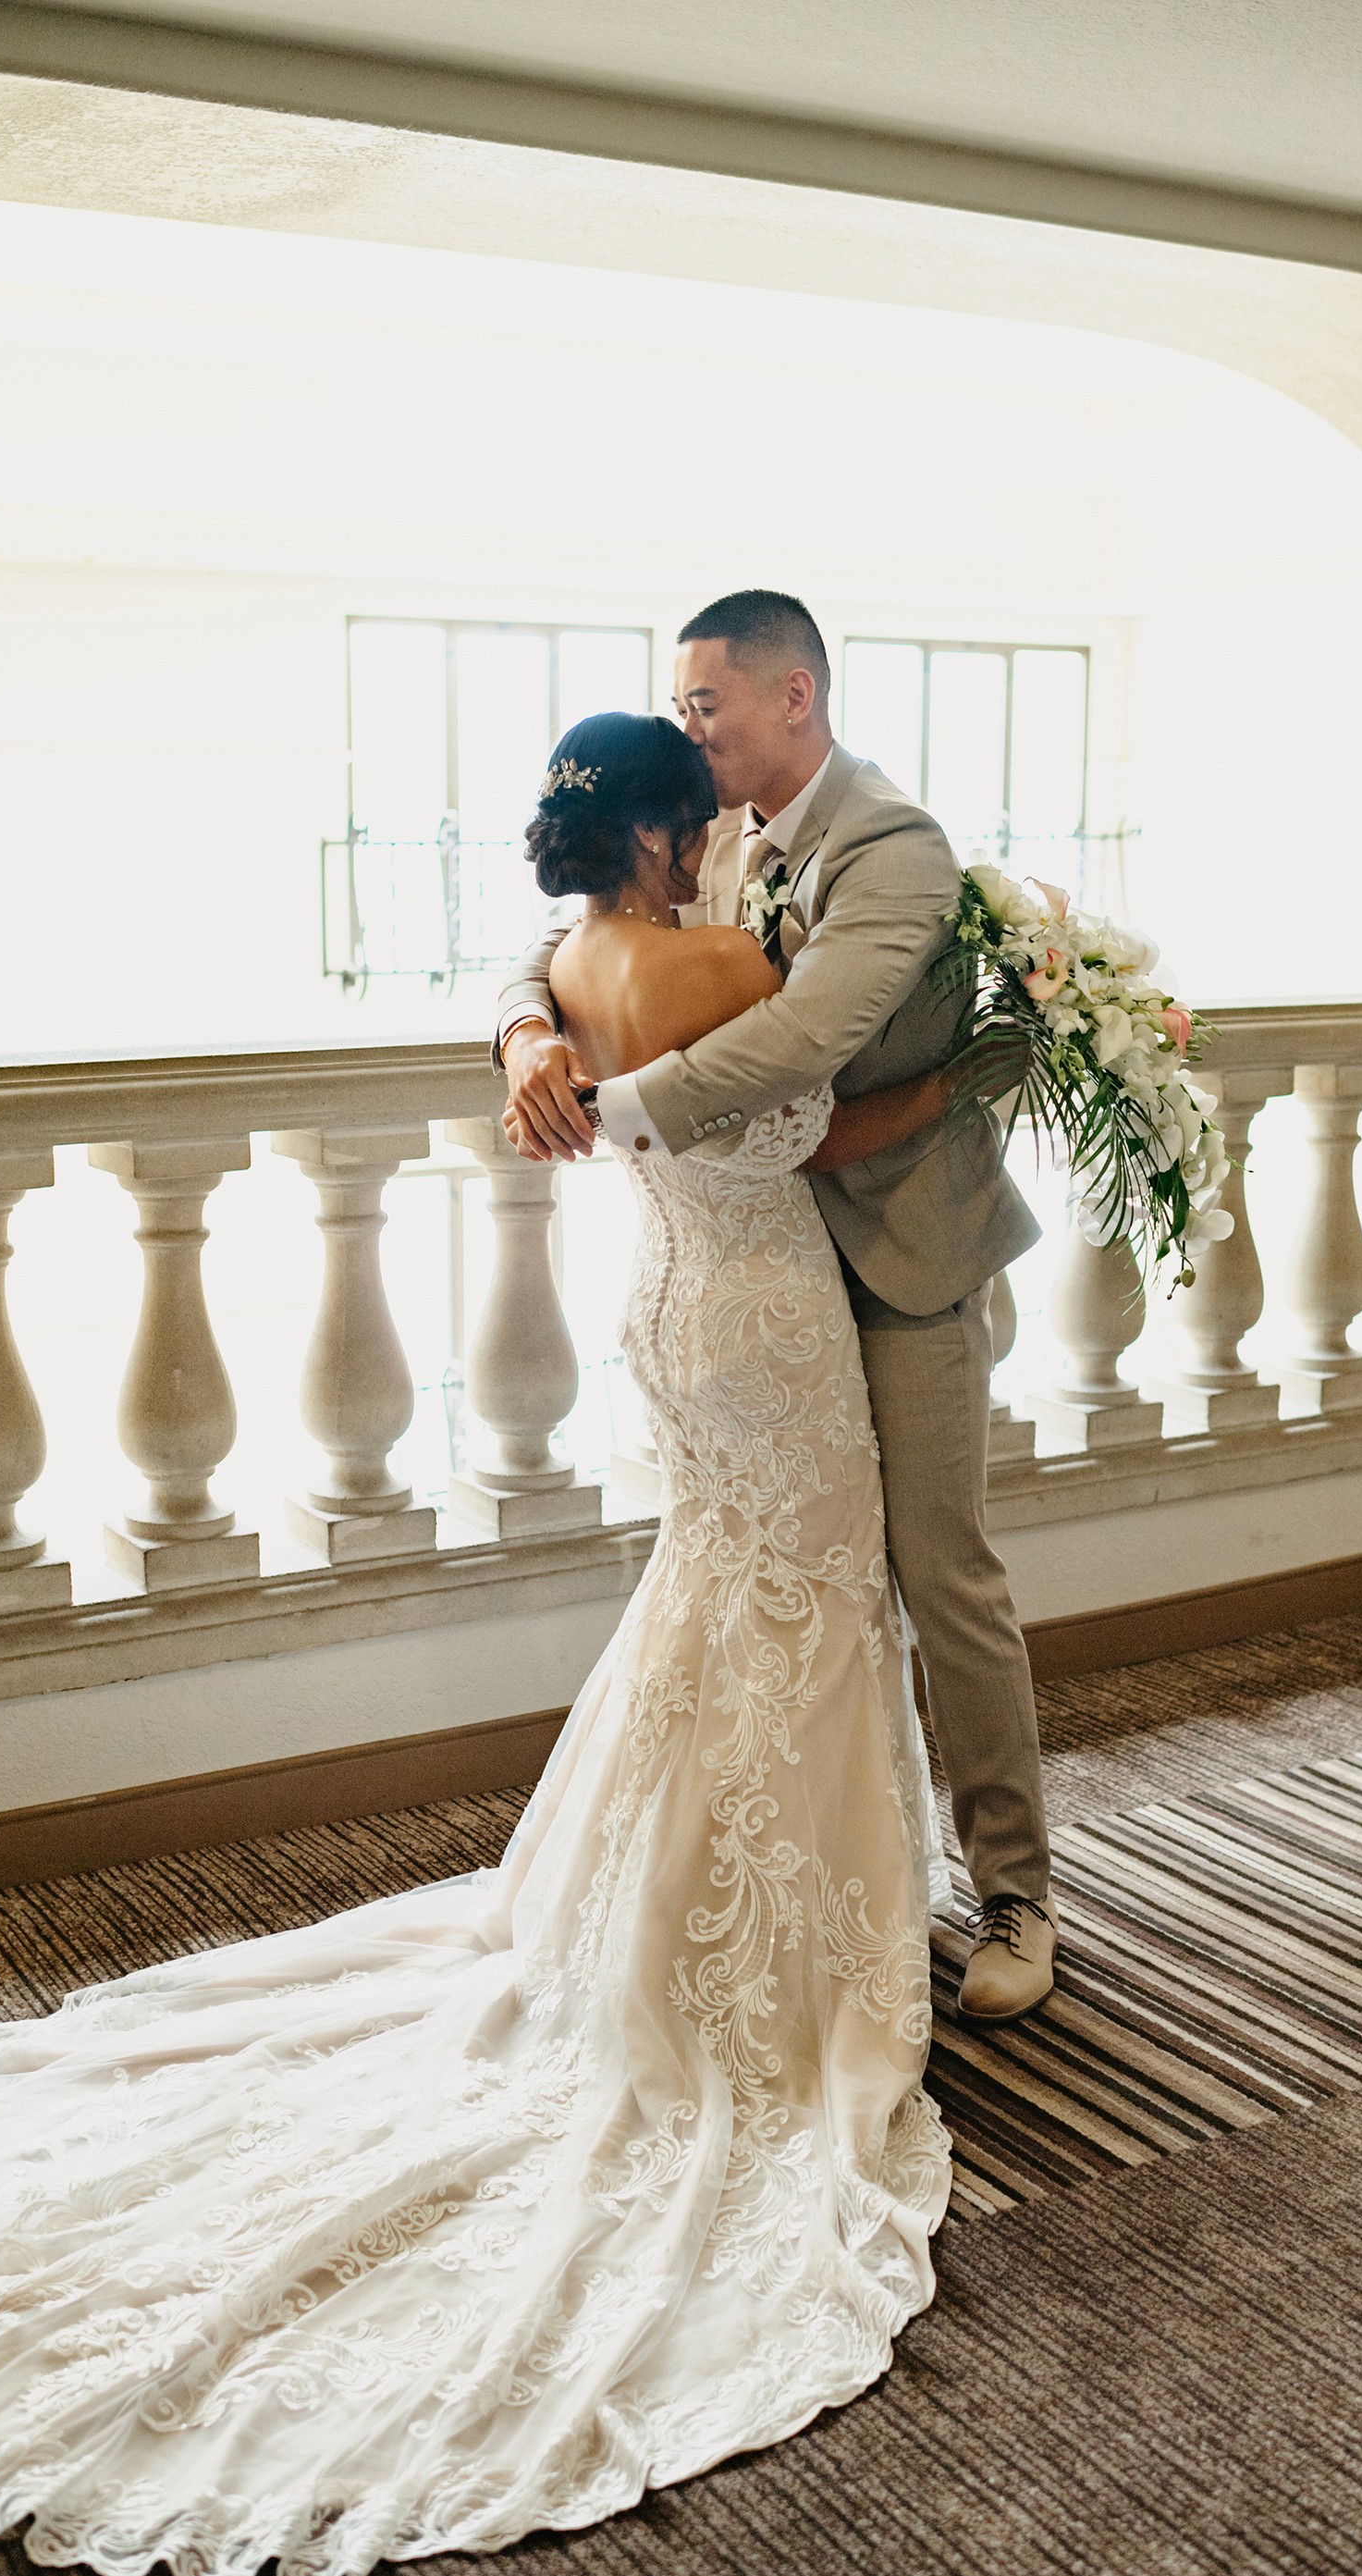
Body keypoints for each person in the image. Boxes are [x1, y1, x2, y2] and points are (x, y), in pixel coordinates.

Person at [0, 712, 955, 2576]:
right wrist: (979, 1074)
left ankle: (682, 1916)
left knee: (718, 1603)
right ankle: (768, 1970)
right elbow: (815, 1118)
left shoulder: (577, 964)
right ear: (663, 832)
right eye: (700, 815)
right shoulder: (711, 969)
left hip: (666, 1311)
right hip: (763, 1317)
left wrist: (523, 1033)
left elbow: (612, 1066)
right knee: (806, 1603)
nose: (720, 833)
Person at [500, 588, 1057, 2021]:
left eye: (706, 703)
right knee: (780, 1590)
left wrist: (613, 1111)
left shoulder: (892, 846)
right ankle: (822, 1886)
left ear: (792, 695)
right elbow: (562, 944)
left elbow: (809, 1035)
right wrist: (524, 1039)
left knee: (938, 1576)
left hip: (904, 1256)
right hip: (768, 1279)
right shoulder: (715, 836)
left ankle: (1016, 1895)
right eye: (682, 709)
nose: (689, 730)